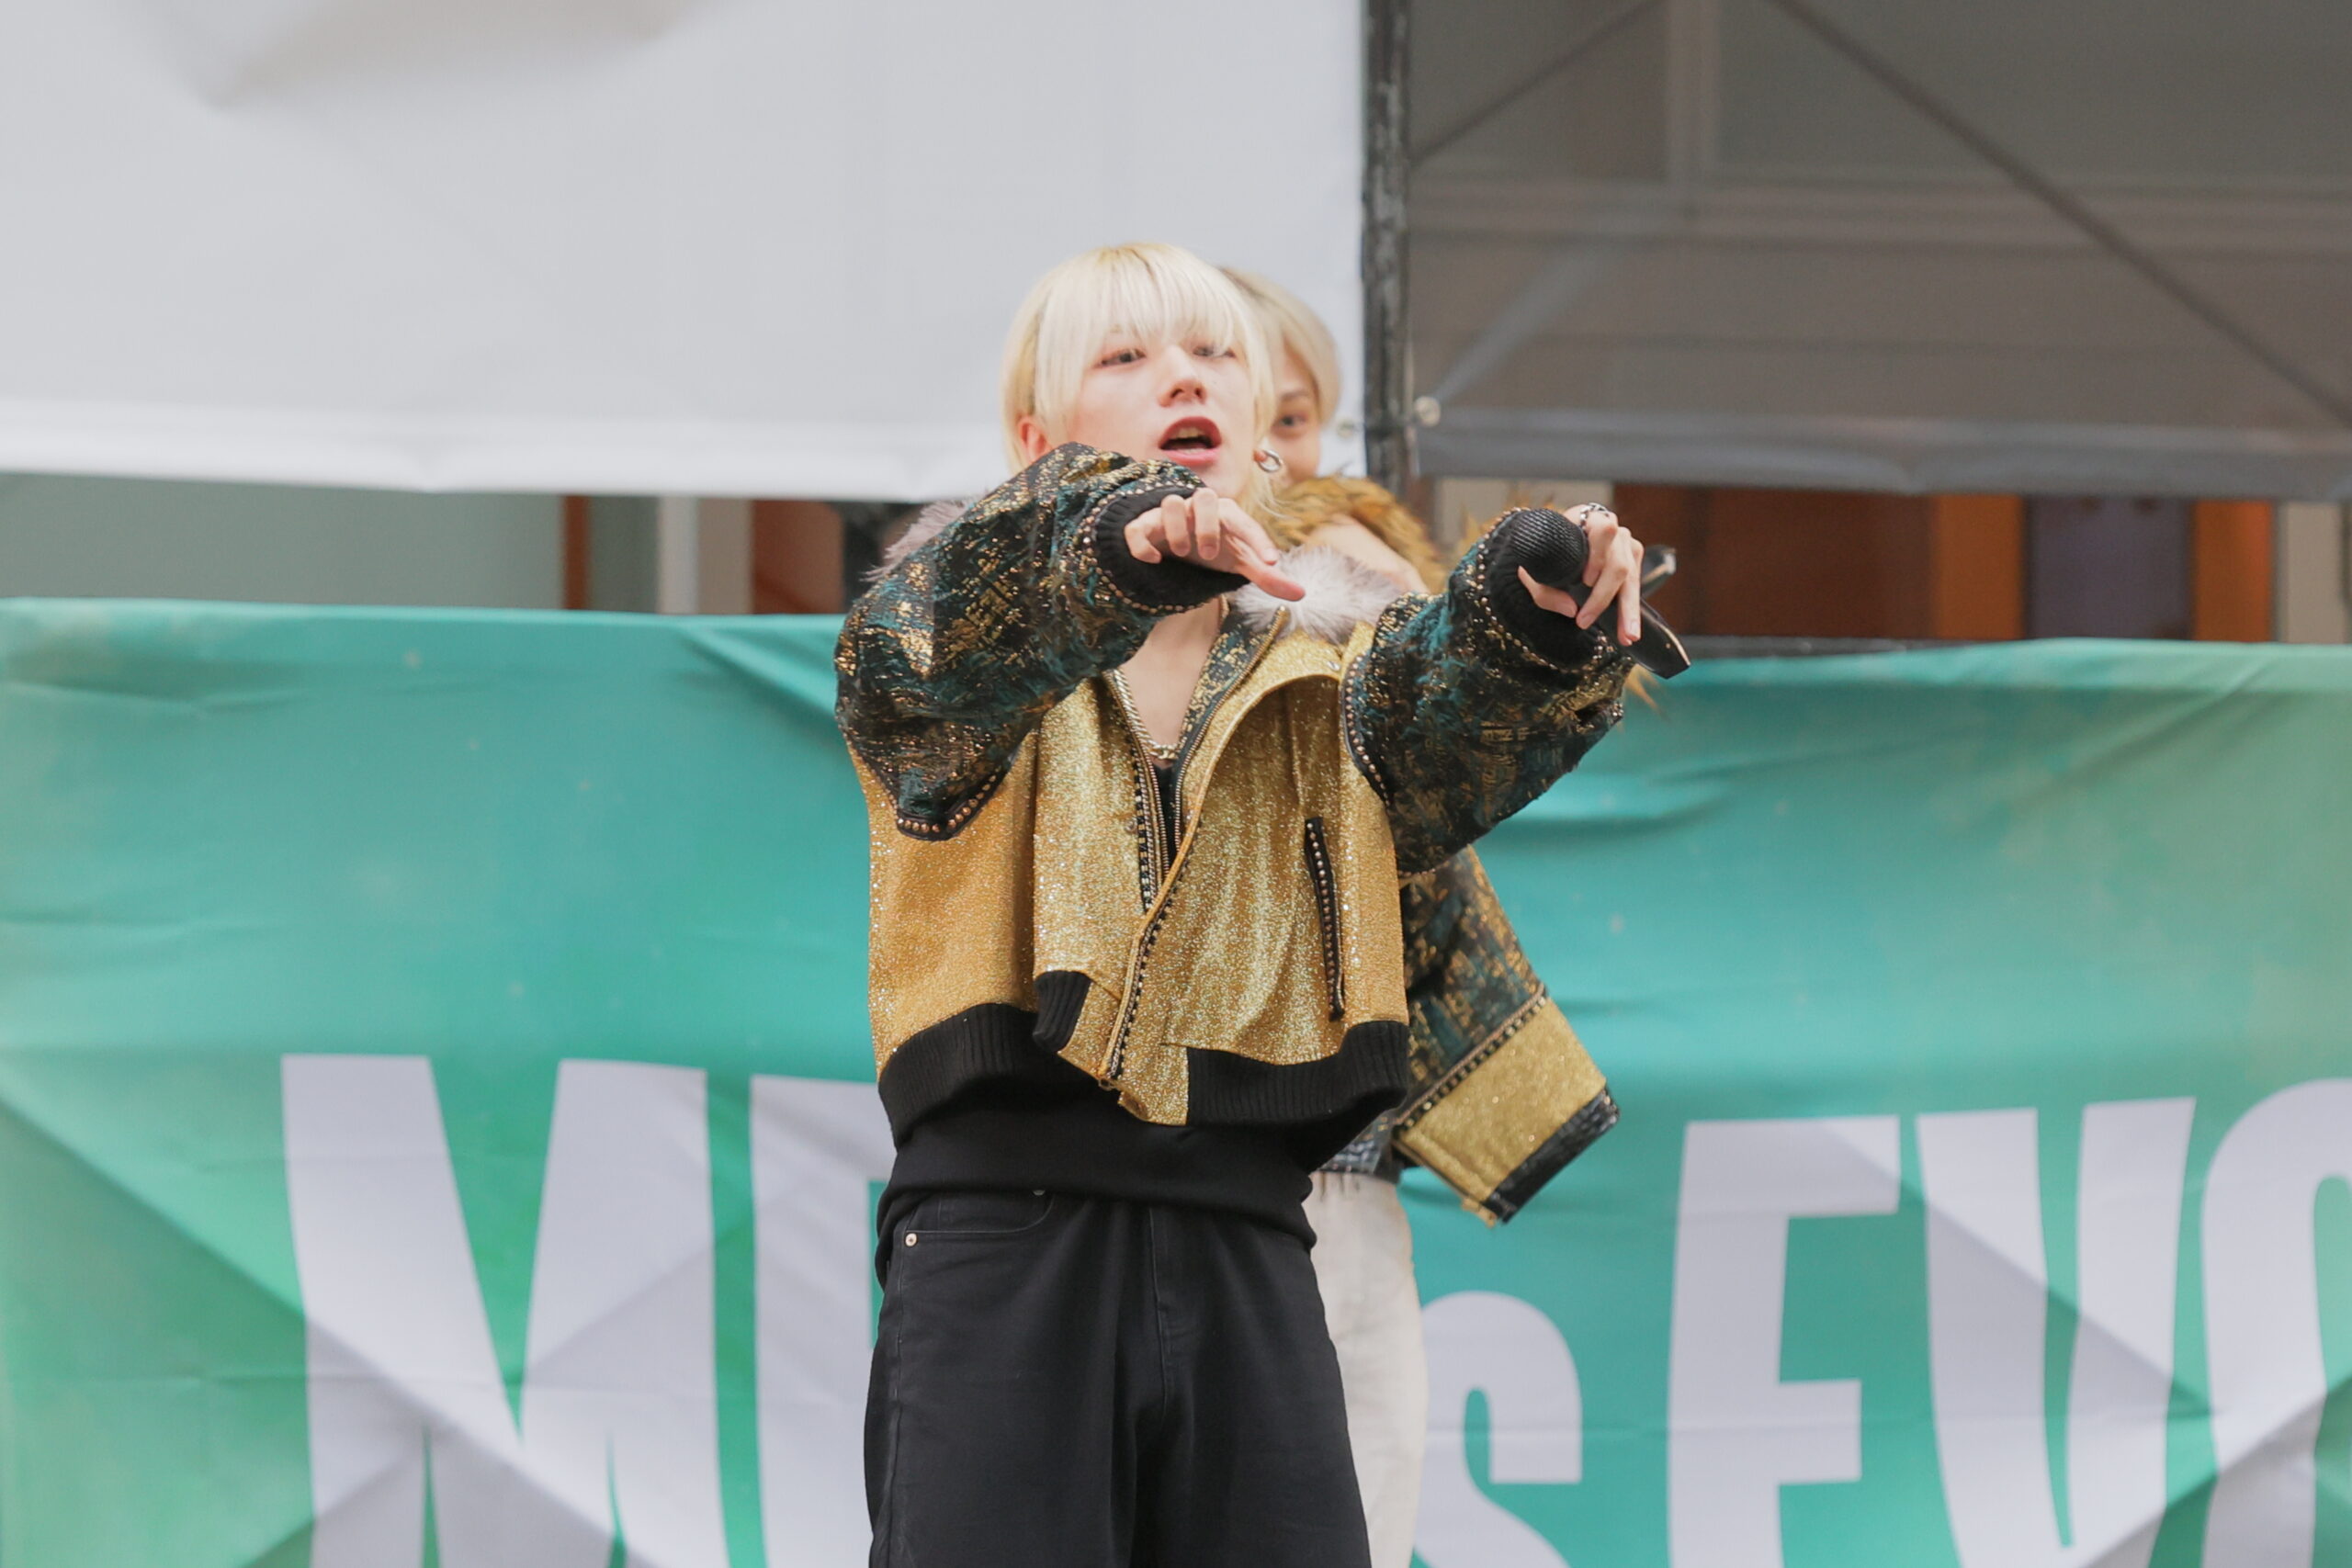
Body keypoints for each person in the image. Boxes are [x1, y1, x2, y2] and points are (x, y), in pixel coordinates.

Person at [836, 242, 1645, 1568]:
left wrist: (1533, 613)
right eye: (1126, 356)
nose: (1184, 378)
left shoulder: (1335, 670)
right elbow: (930, 650)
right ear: (1035, 441)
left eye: (1216, 355)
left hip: (1257, 1239)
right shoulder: (948, 628)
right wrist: (1111, 548)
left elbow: (1449, 721)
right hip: (1005, 1235)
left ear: (1267, 437)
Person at [1226, 266, 1630, 1568]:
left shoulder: (1355, 569)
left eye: (1295, 417)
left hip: (1332, 1156)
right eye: (1242, 412)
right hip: (1142, 1170)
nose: (1273, 448)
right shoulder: (1073, 609)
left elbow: (1442, 724)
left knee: (1347, 1505)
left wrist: (1523, 617)